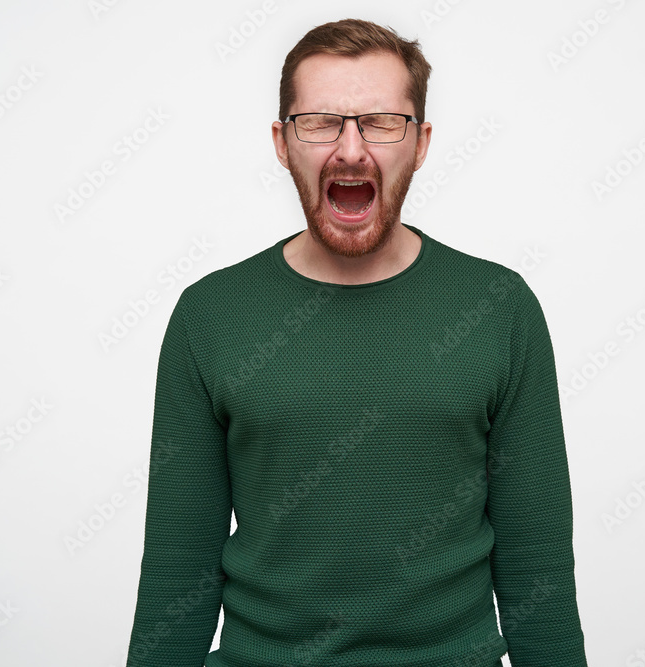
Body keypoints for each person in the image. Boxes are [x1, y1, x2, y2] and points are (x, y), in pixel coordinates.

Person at [126, 18, 588, 667]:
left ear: (420, 143)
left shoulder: (500, 309)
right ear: (282, 143)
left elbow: (537, 568)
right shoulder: (210, 315)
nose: (350, 150)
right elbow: (179, 568)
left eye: (380, 122)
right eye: (320, 123)